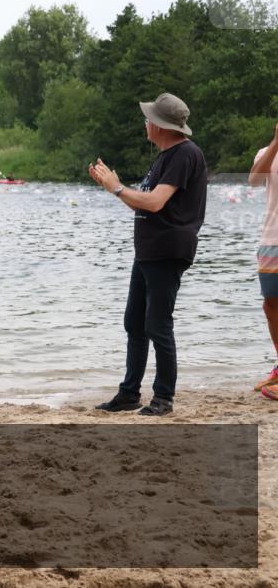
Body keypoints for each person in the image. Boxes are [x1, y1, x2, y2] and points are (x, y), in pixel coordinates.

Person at [89, 93, 207, 416]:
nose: (146, 122)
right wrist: (113, 187)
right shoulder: (165, 156)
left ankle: (163, 398)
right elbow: (143, 200)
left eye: (149, 119)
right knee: (134, 323)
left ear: (161, 127)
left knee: (157, 324)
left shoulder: (185, 154)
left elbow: (155, 202)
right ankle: (129, 393)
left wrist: (116, 187)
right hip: (149, 252)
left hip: (167, 252)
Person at [248, 122, 278, 398]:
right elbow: (255, 180)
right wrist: (276, 142)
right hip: (271, 239)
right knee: (270, 305)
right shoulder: (266, 152)